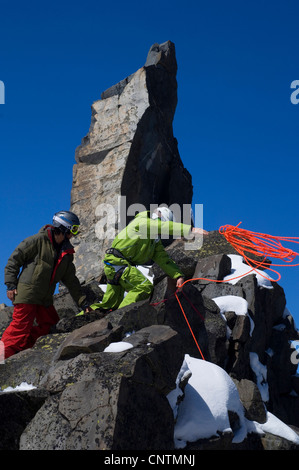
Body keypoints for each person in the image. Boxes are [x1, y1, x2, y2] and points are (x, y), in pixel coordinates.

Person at [1, 210, 92, 358]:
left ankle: (20, 353)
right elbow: (14, 261)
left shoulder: (66, 253)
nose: (75, 233)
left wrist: (83, 303)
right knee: (19, 329)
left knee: (50, 325)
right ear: (64, 227)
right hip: (27, 295)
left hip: (44, 300)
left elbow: (71, 281)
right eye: (74, 229)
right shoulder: (37, 241)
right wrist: (10, 285)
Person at [88, 207, 208, 313]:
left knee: (109, 304)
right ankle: (119, 318)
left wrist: (178, 275)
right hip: (117, 263)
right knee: (143, 286)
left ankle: (87, 316)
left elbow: (163, 259)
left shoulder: (153, 241)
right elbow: (160, 226)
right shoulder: (142, 222)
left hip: (116, 265)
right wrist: (190, 230)